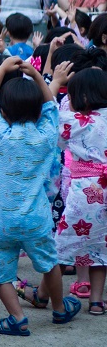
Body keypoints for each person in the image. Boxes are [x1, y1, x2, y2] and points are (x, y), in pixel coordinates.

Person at [0, 57, 81, 334]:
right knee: (49, 264)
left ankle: (18, 318)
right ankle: (60, 309)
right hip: (36, 219)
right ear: (36, 111)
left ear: (3, 111)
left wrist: (0, 70)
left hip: (0, 219)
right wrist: (36, 74)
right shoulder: (46, 135)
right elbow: (50, 106)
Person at [50, 65, 107, 314]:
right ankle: (96, 301)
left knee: (63, 244)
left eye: (70, 96)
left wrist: (54, 83)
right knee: (101, 245)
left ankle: (45, 293)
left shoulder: (78, 121)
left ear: (83, 97)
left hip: (86, 190)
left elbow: (47, 117)